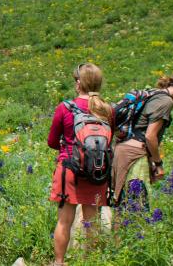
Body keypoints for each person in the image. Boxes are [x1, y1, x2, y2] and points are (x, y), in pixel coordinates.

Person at [47, 62, 113, 265]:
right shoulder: (107, 110)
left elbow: (51, 141)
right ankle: (90, 261)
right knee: (91, 221)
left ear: (78, 83)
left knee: (64, 221)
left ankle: (59, 262)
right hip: (96, 171)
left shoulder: (65, 108)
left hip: (69, 169)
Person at [111, 70, 173, 208]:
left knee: (120, 203)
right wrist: (158, 163)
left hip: (122, 149)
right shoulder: (166, 101)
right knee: (135, 206)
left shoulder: (154, 93)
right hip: (135, 154)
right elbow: (150, 136)